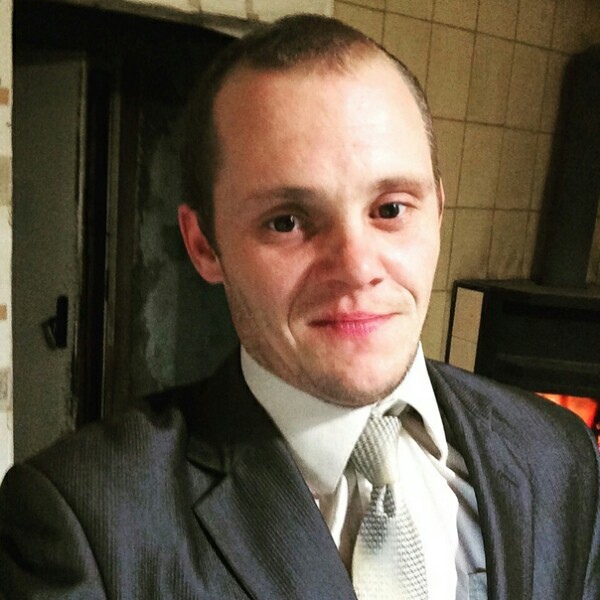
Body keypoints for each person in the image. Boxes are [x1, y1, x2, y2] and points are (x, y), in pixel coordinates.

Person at [1, 14, 598, 600]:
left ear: (438, 213)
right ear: (204, 245)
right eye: (286, 221)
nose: (357, 267)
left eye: (391, 209)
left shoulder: (557, 453)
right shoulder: (85, 526)